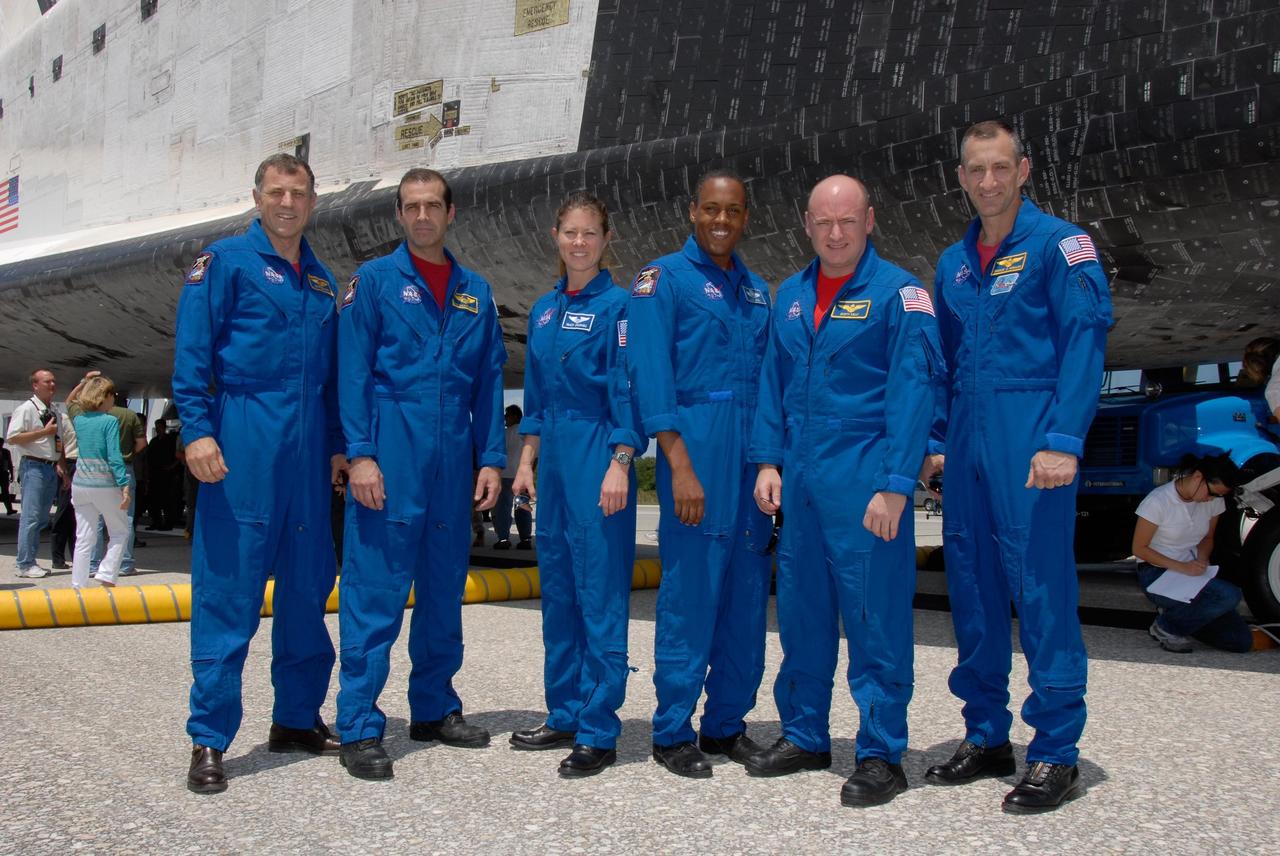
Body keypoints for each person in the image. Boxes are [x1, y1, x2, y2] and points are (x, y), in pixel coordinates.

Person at [927, 120, 1114, 813]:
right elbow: (944, 363)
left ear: (1024, 168)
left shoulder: (1061, 245)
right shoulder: (953, 262)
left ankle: (1056, 750)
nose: (988, 182)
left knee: (1039, 591)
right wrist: (938, 441)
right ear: (962, 176)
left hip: (1031, 438)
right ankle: (986, 736)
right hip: (970, 446)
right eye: (975, 169)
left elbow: (1085, 340)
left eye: (1000, 167)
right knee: (972, 591)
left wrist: (1064, 438)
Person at [747, 175, 945, 806]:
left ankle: (881, 751)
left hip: (865, 475)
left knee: (874, 617)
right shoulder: (792, 296)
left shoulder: (901, 296)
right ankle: (804, 734)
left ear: (870, 220)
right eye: (824, 222)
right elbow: (771, 388)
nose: (836, 233)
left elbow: (914, 394)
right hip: (800, 477)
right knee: (803, 611)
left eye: (848, 221)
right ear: (807, 224)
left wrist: (895, 485)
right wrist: (768, 461)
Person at [173, 153, 346, 794]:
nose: (287, 203)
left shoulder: (323, 282)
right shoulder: (224, 264)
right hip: (243, 435)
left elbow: (328, 383)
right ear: (257, 196)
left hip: (305, 453)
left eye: (298, 193)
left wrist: (334, 447)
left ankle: (296, 718)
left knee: (307, 587)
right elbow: (192, 353)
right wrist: (197, 430)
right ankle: (209, 738)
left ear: (312, 201)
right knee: (231, 588)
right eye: (276, 192)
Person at [336, 168, 507, 781]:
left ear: (451, 213)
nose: (423, 216)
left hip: (451, 456)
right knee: (375, 591)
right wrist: (360, 454)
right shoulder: (374, 284)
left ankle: (434, 707)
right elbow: (351, 372)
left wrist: (491, 457)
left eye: (433, 205)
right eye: (412, 207)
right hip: (391, 449)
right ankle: (358, 723)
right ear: (400, 216)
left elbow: (488, 382)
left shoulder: (475, 292)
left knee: (442, 590)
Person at [627, 169, 774, 778]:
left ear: (745, 217)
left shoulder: (758, 291)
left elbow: (771, 385)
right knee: (690, 596)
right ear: (692, 211)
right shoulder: (663, 281)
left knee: (744, 600)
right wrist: (678, 466)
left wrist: (771, 461)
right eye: (711, 209)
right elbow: (651, 375)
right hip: (698, 453)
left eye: (733, 211)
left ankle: (726, 725)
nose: (721, 221)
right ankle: (671, 731)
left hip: (749, 463)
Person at [508, 191, 645, 776]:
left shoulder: (622, 307)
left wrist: (621, 459)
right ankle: (563, 710)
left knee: (599, 595)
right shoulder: (542, 310)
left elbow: (630, 389)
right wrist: (525, 462)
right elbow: (535, 399)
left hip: (597, 453)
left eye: (591, 233)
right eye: (571, 233)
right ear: (556, 236)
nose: (580, 243)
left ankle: (598, 728)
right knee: (559, 594)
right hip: (555, 460)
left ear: (606, 238)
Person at [1133, 453, 1252, 653]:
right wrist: (1182, 567)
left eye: (1219, 496)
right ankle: (1166, 627)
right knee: (1229, 596)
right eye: (1212, 493)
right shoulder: (1158, 501)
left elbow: (1207, 539)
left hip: (1191, 572)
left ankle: (1181, 616)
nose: (1211, 500)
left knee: (1240, 641)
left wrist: (1202, 559)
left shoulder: (1213, 501)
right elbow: (1139, 549)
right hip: (1156, 573)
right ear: (1198, 477)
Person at [65, 374, 146, 577]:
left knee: (84, 536)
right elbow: (113, 455)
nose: (114, 398)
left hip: (80, 484)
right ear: (105, 396)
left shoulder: (79, 419)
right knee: (120, 531)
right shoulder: (109, 421)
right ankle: (107, 573)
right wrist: (124, 484)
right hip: (104, 483)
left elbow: (69, 401)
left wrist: (83, 382)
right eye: (113, 394)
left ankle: (79, 582)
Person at [6, 369, 70, 578]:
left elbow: (58, 442)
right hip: (33, 466)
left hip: (50, 467)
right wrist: (43, 432)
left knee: (42, 518)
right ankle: (25, 563)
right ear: (35, 385)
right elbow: (13, 438)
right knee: (31, 517)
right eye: (47, 382)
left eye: (53, 381)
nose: (52, 385)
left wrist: (62, 466)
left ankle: (29, 560)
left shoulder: (54, 411)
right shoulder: (27, 409)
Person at [493, 404, 533, 550]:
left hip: (504, 476)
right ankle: (526, 539)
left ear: (515, 416)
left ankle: (503, 539)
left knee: (503, 510)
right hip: (521, 477)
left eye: (507, 414)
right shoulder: (526, 434)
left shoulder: (503, 434)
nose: (505, 418)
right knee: (522, 508)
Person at [0, 440, 16, 515]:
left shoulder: (6, 452)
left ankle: (9, 509)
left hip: (3, 474)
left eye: (1, 443)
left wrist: (12, 474)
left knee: (5, 493)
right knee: (5, 492)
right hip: (3, 474)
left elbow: (10, 463)